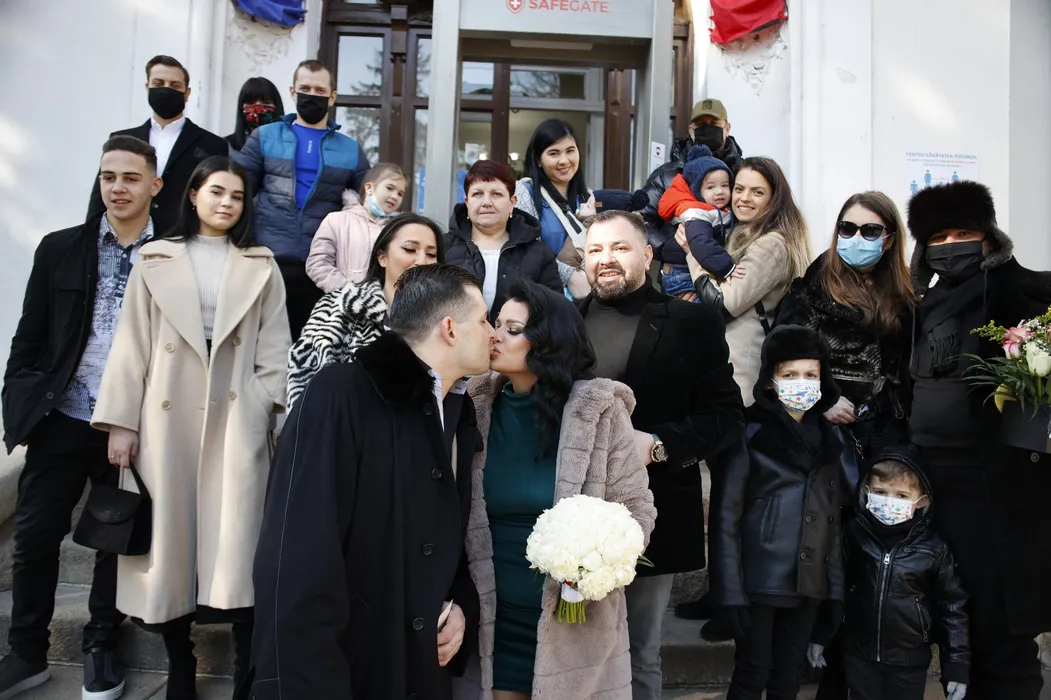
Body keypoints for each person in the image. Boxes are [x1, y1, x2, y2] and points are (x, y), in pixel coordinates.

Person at [90, 156, 291, 698]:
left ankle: (248, 671)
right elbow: (131, 344)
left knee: (241, 548)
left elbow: (277, 348)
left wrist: (263, 406)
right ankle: (181, 663)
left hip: (236, 415)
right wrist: (121, 422)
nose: (227, 203)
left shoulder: (261, 264)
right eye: (217, 191)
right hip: (165, 416)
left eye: (237, 196)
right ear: (194, 194)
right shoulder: (155, 258)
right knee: (167, 551)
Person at [251, 264, 492, 700]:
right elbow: (297, 556)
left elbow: (445, 539)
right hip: (346, 673)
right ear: (450, 329)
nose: (492, 333)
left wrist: (461, 607)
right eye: (484, 320)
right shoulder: (340, 393)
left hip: (421, 672)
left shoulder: (458, 410)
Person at [0, 135, 162, 700]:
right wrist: (21, 402)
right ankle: (26, 653)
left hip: (131, 424)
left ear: (155, 185)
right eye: (108, 177)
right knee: (35, 536)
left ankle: (100, 646)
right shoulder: (60, 248)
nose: (118, 188)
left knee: (113, 539)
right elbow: (29, 338)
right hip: (62, 416)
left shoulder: (170, 255)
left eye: (130, 178)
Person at [578, 211, 745, 700]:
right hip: (570, 513)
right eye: (595, 250)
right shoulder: (563, 322)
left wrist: (658, 444)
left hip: (653, 512)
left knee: (638, 651)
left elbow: (727, 417)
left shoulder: (692, 322)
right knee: (573, 649)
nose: (606, 259)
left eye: (620, 247)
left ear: (648, 255)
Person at [462, 280, 656, 699]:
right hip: (493, 620)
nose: (495, 335)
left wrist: (595, 563)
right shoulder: (473, 407)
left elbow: (637, 507)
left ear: (548, 342)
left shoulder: (598, 412)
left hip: (574, 625)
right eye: (495, 324)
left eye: (512, 329)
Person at [907, 180, 1051, 699]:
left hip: (997, 487)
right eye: (937, 237)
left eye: (962, 233)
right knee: (954, 618)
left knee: (1000, 623)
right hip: (928, 482)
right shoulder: (922, 305)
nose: (951, 246)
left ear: (989, 236)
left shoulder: (1031, 293)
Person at [707, 324, 849, 700]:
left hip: (807, 584)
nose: (801, 383)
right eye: (790, 375)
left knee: (789, 675)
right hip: (759, 582)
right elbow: (725, 519)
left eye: (810, 375)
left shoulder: (830, 439)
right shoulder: (749, 432)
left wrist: (833, 591)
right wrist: (728, 593)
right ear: (771, 380)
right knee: (752, 672)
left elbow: (831, 523)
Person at [807, 443, 969, 700]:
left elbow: (952, 606)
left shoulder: (934, 546)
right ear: (867, 492)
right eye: (881, 492)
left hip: (910, 661)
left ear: (922, 501)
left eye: (902, 495)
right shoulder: (855, 534)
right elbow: (835, 588)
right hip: (860, 655)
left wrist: (957, 665)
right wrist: (821, 635)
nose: (890, 501)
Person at [236, 59, 371, 341]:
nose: (312, 95)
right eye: (305, 88)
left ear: (332, 97)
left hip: (322, 267)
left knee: (313, 349)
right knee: (263, 347)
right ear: (292, 91)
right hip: (267, 259)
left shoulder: (350, 150)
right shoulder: (264, 137)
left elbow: (366, 206)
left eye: (320, 90)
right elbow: (239, 191)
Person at [776, 191, 914, 458]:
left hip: (886, 427)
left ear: (889, 240)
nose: (857, 238)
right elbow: (785, 353)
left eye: (871, 231)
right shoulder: (815, 286)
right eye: (848, 228)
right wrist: (821, 399)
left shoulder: (903, 293)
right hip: (827, 430)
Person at [287, 213, 445, 410]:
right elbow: (304, 385)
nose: (422, 261)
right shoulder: (340, 307)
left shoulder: (446, 319)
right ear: (382, 257)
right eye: (410, 249)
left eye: (431, 254)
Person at [87, 55, 229, 237]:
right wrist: (90, 236)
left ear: (187, 93)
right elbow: (101, 194)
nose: (166, 90)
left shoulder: (212, 144)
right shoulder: (121, 139)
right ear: (147, 87)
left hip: (181, 239)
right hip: (124, 237)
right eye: (159, 83)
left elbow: (214, 198)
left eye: (174, 85)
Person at [446, 160, 562, 317]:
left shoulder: (539, 253)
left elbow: (554, 313)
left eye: (496, 194)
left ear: (512, 203)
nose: (486, 202)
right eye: (477, 194)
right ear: (467, 202)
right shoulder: (443, 246)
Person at [639, 98, 744, 269]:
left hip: (733, 270)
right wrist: (666, 248)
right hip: (680, 272)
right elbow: (642, 220)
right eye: (700, 124)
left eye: (714, 123)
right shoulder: (667, 175)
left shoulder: (742, 173)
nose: (707, 129)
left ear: (727, 128)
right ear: (691, 130)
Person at [513, 119, 595, 299]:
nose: (564, 160)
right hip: (543, 296)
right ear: (538, 159)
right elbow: (525, 250)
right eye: (554, 153)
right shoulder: (524, 192)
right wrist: (570, 275)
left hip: (587, 299)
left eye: (570, 151)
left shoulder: (586, 197)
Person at [306, 163, 408, 292]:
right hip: (345, 301)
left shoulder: (400, 229)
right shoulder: (336, 221)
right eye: (389, 188)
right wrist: (348, 292)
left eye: (400, 194)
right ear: (369, 188)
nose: (395, 196)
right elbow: (317, 263)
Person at [657, 145, 735, 300]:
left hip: (692, 269)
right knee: (699, 310)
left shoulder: (717, 209)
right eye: (711, 187)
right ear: (696, 190)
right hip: (683, 274)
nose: (719, 191)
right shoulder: (695, 212)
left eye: (725, 185)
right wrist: (728, 267)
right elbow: (701, 243)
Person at [226, 77, 285, 154]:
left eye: (266, 102)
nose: (258, 107)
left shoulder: (290, 146)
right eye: (251, 102)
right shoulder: (227, 146)